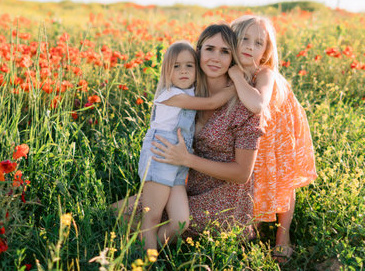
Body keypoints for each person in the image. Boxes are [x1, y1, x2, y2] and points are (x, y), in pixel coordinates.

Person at [113, 24, 264, 248]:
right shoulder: (186, 92)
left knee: (159, 219)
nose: (215, 58)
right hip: (183, 185)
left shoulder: (244, 105)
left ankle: (147, 255)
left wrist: (187, 159)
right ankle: (146, 252)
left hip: (223, 199)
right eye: (209, 49)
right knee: (118, 213)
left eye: (225, 52)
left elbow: (242, 173)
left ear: (233, 58)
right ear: (198, 52)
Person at [228, 15, 317, 261]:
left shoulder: (264, 73)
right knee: (252, 177)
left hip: (279, 128)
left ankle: (283, 234)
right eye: (244, 39)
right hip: (255, 132)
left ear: (266, 51)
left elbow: (259, 104)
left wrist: (236, 77)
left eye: (258, 43)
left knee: (280, 178)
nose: (249, 46)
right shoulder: (229, 67)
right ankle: (254, 222)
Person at [137, 40, 236, 250]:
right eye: (176, 66)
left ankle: (146, 250)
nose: (183, 71)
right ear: (167, 71)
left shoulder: (191, 92)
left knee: (181, 222)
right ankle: (146, 259)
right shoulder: (171, 95)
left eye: (189, 65)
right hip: (161, 155)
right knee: (152, 216)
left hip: (180, 161)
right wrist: (233, 88)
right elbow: (210, 104)